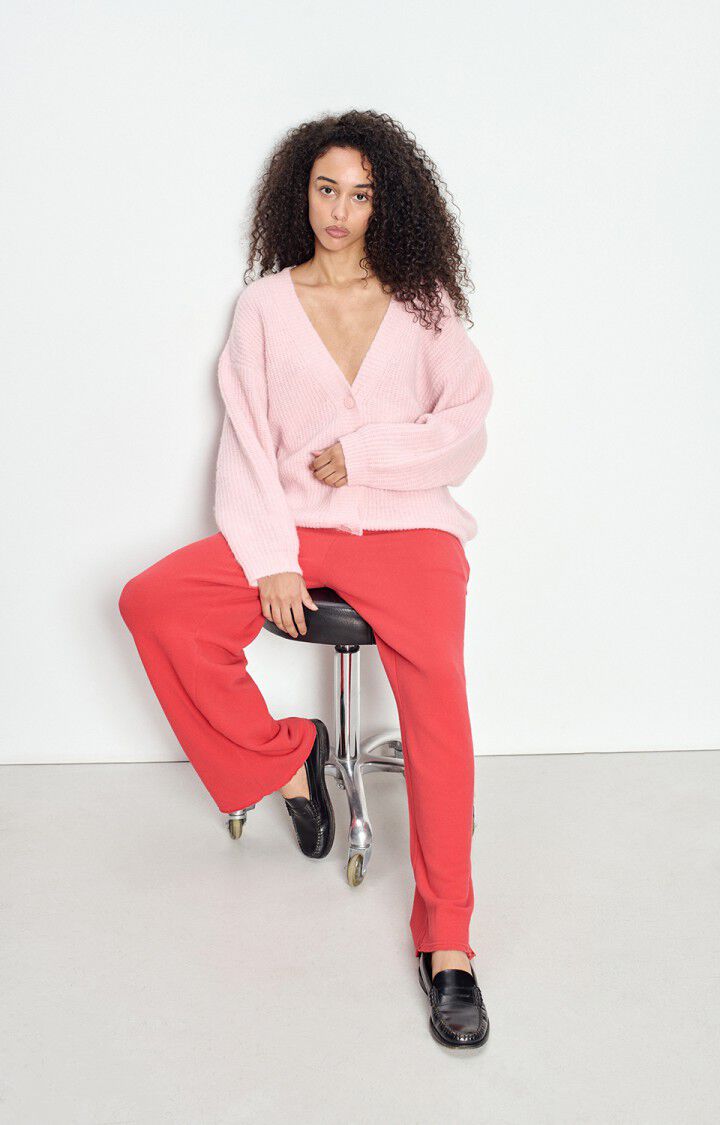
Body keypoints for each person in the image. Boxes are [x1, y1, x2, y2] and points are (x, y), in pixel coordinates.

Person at [118, 109, 493, 1049]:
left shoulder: (424, 303)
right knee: (155, 601)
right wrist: (273, 558)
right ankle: (288, 758)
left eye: (360, 195)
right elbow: (247, 442)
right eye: (327, 189)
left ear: (385, 205)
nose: (340, 210)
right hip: (291, 529)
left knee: (439, 706)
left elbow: (466, 426)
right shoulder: (263, 307)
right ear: (302, 193)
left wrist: (364, 454)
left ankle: (449, 942)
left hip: (408, 532)